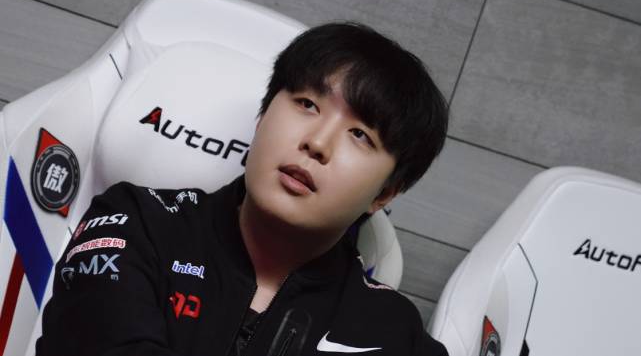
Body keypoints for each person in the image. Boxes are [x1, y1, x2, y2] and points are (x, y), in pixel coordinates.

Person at [36, 22, 449, 356]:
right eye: (307, 104)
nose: (318, 142)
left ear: (385, 194)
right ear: (262, 117)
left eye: (360, 135)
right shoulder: (135, 223)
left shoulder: (394, 334)